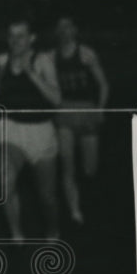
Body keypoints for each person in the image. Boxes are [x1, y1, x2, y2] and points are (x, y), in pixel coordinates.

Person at [0, 18, 62, 241]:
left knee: (47, 196)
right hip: (11, 129)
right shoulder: (2, 61)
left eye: (20, 35)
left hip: (40, 132)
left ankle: (53, 230)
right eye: (11, 35)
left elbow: (56, 99)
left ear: (31, 38)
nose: (15, 40)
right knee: (5, 186)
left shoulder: (43, 61)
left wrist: (31, 73)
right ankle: (17, 235)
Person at [50, 16, 110, 226]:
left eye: (68, 27)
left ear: (75, 30)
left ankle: (92, 203)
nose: (64, 31)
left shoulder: (86, 54)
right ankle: (75, 212)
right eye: (60, 28)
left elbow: (103, 84)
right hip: (65, 110)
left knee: (89, 167)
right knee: (67, 165)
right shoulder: (51, 57)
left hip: (86, 110)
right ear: (57, 32)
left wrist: (100, 110)